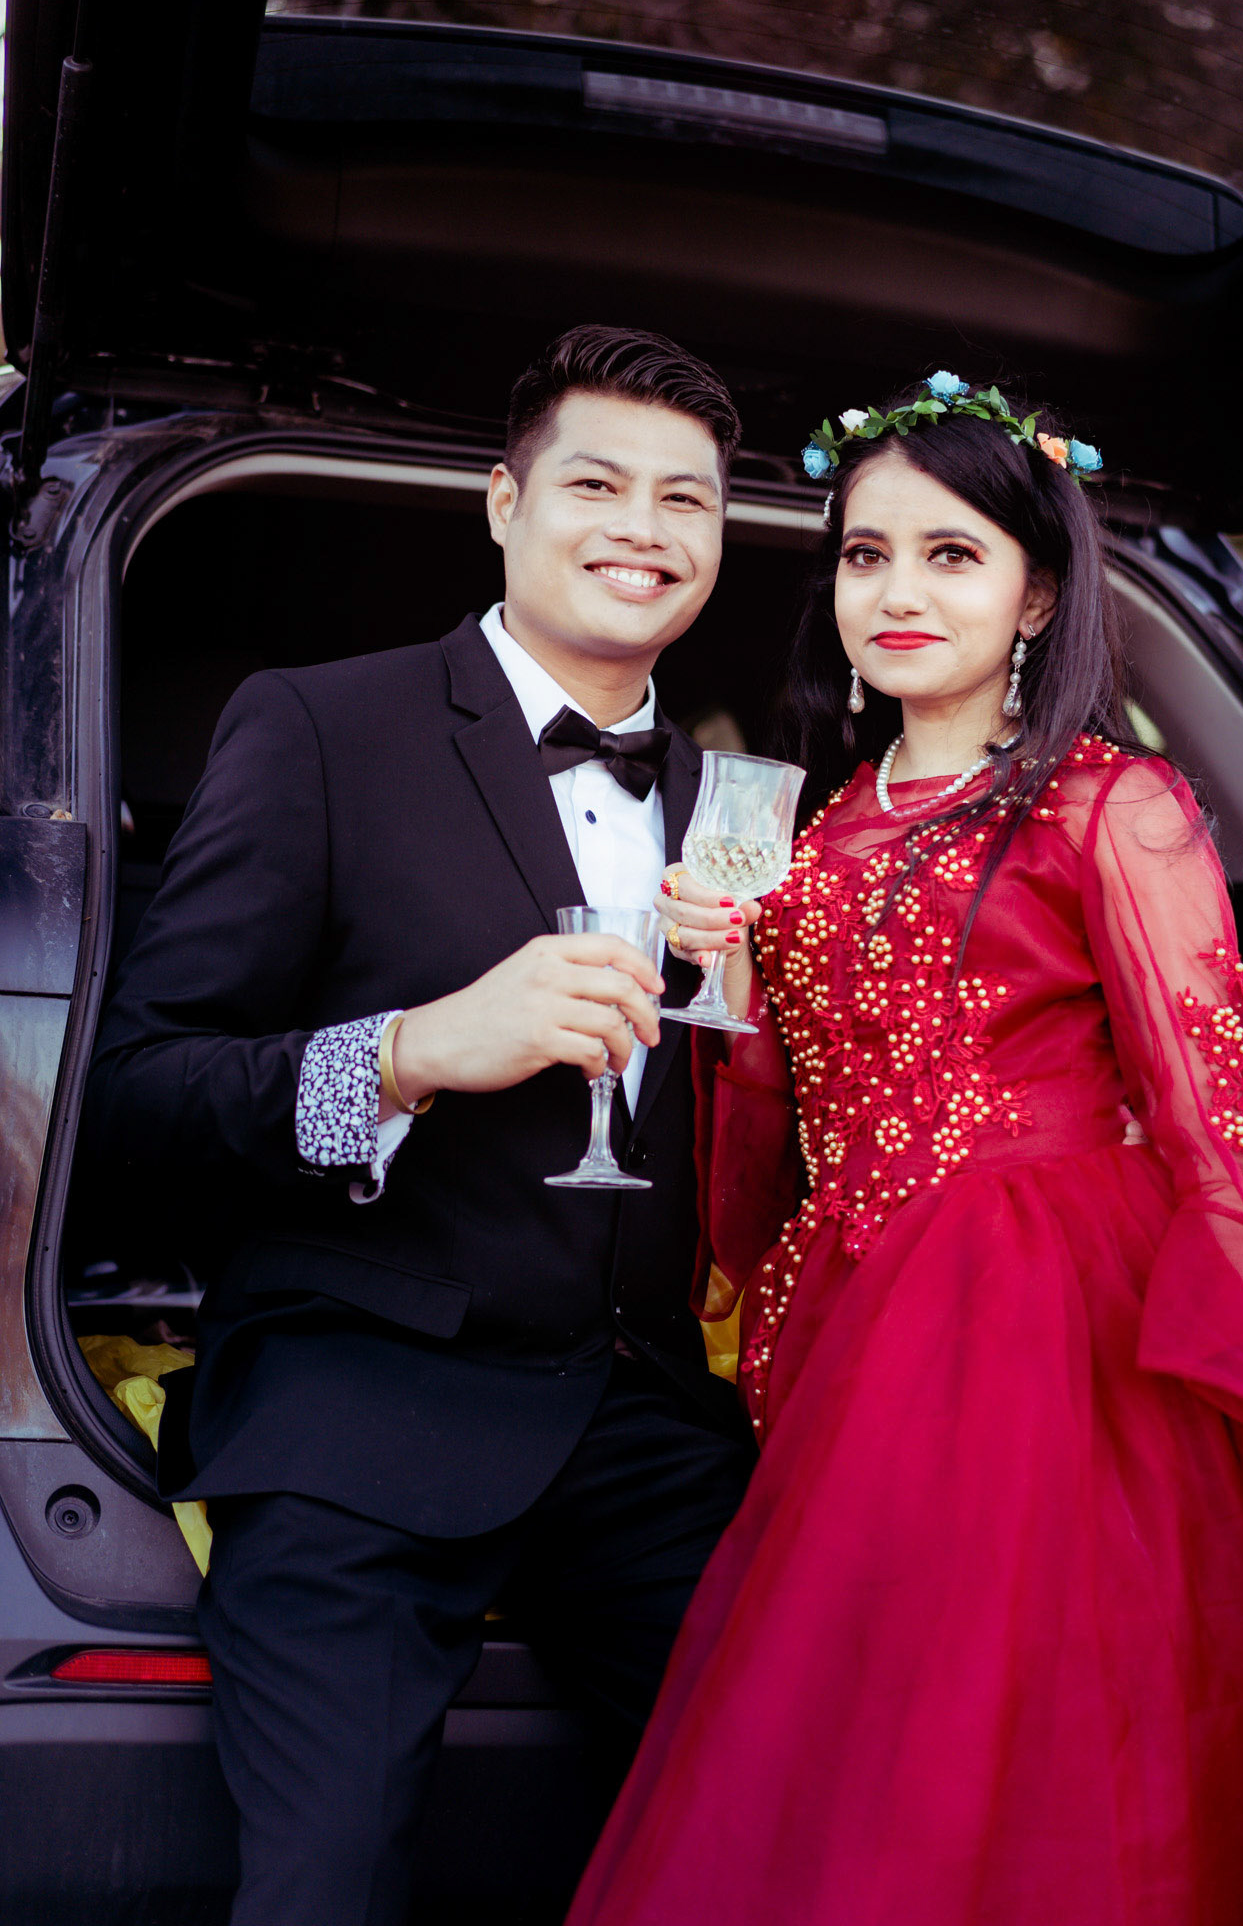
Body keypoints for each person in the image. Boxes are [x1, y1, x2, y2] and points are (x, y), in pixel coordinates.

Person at [565, 376, 1243, 1924]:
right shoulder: (818, 832)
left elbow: (1226, 1141)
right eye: (866, 555)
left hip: (1056, 1347)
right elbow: (777, 1140)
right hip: (862, 1351)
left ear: (1035, 596)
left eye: (951, 555)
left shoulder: (1113, 807)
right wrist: (730, 979)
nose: (898, 592)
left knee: (1033, 1783)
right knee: (884, 1792)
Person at [84, 326, 757, 1926]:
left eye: (686, 501)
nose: (643, 529)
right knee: (322, 1884)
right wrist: (408, 1053)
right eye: (596, 485)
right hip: (359, 1402)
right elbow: (134, 1101)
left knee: (818, 1832)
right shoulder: (320, 727)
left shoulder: (744, 808)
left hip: (646, 1425)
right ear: (505, 505)